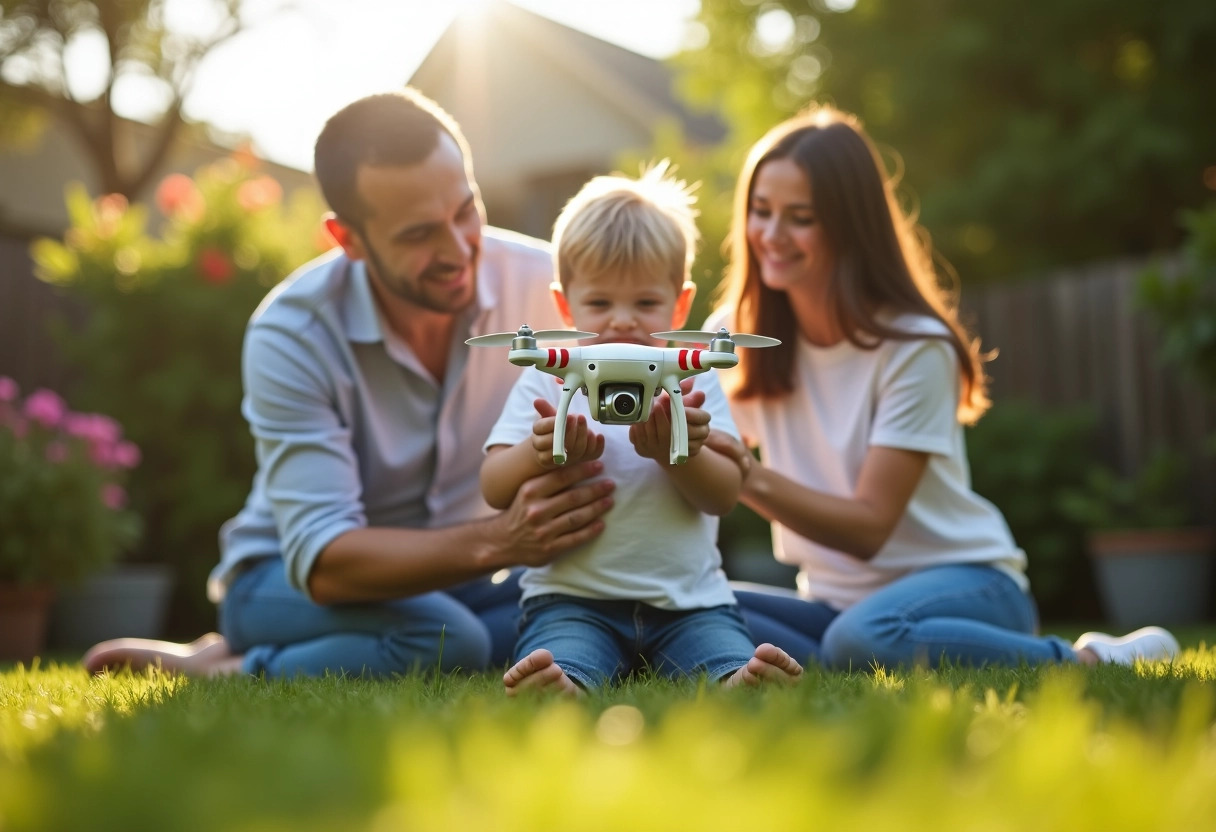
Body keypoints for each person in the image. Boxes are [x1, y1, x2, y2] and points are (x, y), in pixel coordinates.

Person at [83, 88, 616, 678]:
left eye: (465, 211)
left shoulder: (547, 285)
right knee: (449, 641)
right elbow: (325, 562)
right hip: (285, 576)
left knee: (583, 616)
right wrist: (504, 540)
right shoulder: (293, 330)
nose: (458, 249)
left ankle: (241, 651)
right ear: (349, 240)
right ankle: (222, 668)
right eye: (418, 235)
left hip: (460, 577)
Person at [705, 106, 1180, 669]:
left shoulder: (914, 344)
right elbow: (690, 458)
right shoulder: (732, 339)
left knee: (864, 638)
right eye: (760, 212)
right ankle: (841, 654)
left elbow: (869, 529)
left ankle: (1091, 662)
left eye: (800, 217)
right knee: (691, 607)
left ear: (848, 225)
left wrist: (745, 474)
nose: (771, 235)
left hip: (967, 586)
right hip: (835, 604)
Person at [481, 164, 804, 695]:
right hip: (572, 599)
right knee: (567, 652)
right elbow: (494, 485)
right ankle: (566, 685)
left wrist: (679, 453)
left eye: (647, 303)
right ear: (565, 305)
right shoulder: (547, 377)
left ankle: (734, 681)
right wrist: (540, 453)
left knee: (718, 651)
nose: (623, 322)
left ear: (681, 303)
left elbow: (724, 495)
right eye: (601, 303)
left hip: (689, 603)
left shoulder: (692, 377)